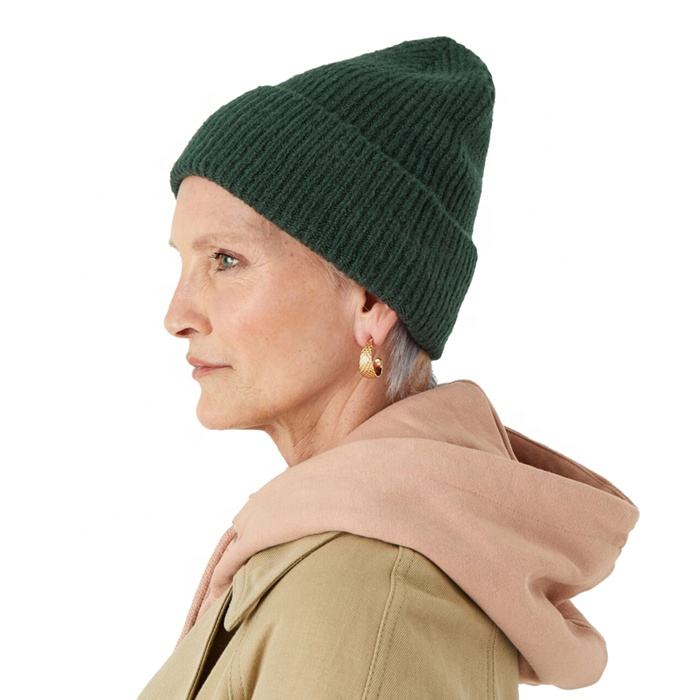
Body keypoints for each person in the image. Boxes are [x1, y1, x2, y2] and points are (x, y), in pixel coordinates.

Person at [137, 36, 640, 699]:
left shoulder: (360, 596)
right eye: (183, 262)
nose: (176, 315)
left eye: (225, 260)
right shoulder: (334, 557)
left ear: (371, 299)